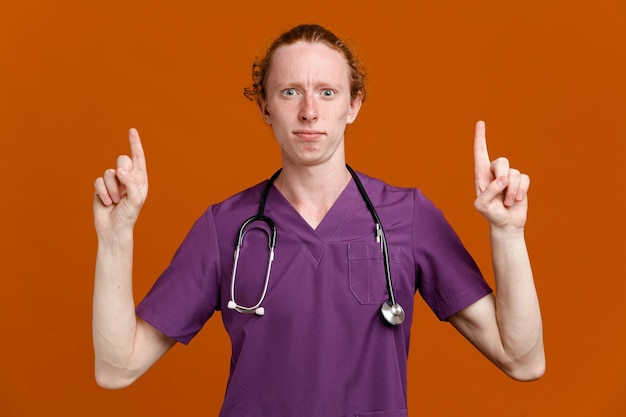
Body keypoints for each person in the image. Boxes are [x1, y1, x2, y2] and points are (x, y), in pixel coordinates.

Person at [92, 24, 544, 416]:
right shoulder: (226, 228)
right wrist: (115, 239)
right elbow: (117, 368)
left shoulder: (407, 217)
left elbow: (522, 360)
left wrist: (508, 234)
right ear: (265, 107)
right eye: (290, 92)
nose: (309, 111)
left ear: (354, 105)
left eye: (327, 92)